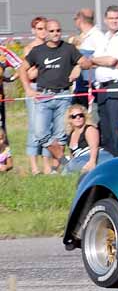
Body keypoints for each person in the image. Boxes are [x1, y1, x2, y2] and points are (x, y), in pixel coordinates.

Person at [18, 19, 88, 170]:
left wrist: (78, 67)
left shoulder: (69, 48)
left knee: (61, 135)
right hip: (43, 96)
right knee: (40, 133)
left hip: (63, 96)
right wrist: (28, 89)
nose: (55, 34)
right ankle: (64, 160)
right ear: (46, 33)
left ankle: (56, 170)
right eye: (52, 31)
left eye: (58, 30)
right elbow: (22, 69)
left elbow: (86, 62)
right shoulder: (37, 51)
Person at [91, 5, 118, 156]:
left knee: (117, 128)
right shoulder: (104, 38)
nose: (114, 21)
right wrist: (98, 60)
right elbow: (101, 59)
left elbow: (111, 61)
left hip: (116, 86)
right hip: (102, 88)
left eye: (117, 18)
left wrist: (94, 60)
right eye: (111, 18)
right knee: (105, 128)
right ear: (105, 20)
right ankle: (109, 160)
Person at [22, 16, 51, 174]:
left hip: (49, 88)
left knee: (48, 127)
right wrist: (46, 67)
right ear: (34, 30)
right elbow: (30, 74)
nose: (43, 32)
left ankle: (47, 164)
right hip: (34, 88)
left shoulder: (52, 47)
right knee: (35, 127)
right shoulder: (30, 49)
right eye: (40, 28)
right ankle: (34, 166)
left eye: (45, 28)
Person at [62, 104, 114, 174]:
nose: (78, 118)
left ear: (85, 116)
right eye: (74, 116)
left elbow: (94, 148)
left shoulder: (89, 129)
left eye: (81, 115)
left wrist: (92, 162)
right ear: (70, 119)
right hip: (80, 159)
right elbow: (73, 155)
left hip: (98, 156)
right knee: (71, 164)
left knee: (71, 165)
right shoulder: (70, 134)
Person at [71, 8, 106, 109]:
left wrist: (81, 65)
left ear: (80, 19)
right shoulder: (81, 38)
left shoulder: (98, 37)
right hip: (80, 87)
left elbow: (100, 60)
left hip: (92, 88)